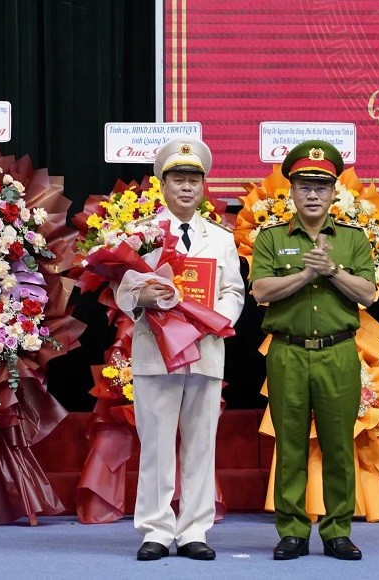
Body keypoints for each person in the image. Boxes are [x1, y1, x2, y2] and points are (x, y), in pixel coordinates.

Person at [114, 137, 245, 561]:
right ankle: (155, 529)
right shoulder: (141, 234)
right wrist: (141, 298)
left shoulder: (222, 239)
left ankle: (193, 530)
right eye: (177, 179)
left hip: (205, 350)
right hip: (156, 352)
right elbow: (121, 291)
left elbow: (234, 292)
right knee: (155, 444)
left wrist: (213, 319)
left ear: (204, 187)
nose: (186, 187)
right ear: (162, 184)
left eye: (193, 180)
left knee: (201, 443)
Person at [250, 139, 376, 561]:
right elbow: (261, 290)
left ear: (334, 192)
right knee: (290, 444)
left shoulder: (353, 239)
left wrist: (333, 270)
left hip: (338, 353)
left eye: (322, 187)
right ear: (291, 191)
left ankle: (338, 529)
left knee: (339, 443)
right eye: (304, 185)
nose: (313, 194)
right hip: (286, 351)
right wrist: (306, 274)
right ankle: (292, 531)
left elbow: (369, 294)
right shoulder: (270, 237)